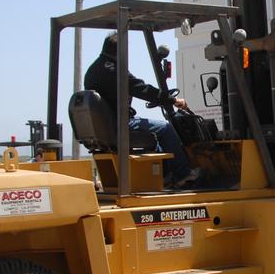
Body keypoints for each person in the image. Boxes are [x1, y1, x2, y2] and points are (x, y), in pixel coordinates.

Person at [84, 33, 198, 188]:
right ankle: (183, 174)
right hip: (121, 125)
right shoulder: (115, 70)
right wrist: (173, 100)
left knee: (155, 137)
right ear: (121, 50)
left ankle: (164, 176)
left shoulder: (93, 70)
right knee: (165, 128)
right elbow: (141, 89)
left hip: (107, 127)